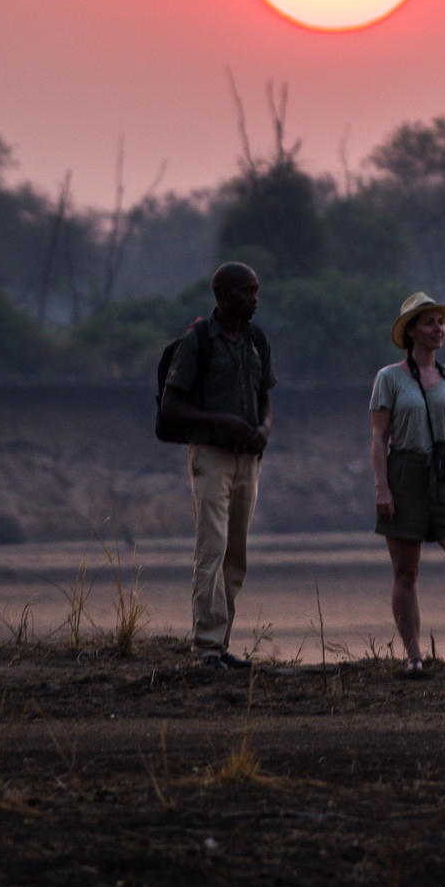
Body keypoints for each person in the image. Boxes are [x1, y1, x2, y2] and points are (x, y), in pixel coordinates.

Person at [158, 261, 275, 670]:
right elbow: (171, 405)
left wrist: (264, 428)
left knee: (236, 554)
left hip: (248, 460)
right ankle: (206, 647)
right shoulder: (198, 342)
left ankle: (221, 645)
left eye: (256, 291)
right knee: (212, 547)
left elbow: (266, 397)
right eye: (247, 292)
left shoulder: (256, 339)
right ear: (223, 296)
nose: (255, 299)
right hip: (210, 456)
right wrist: (219, 421)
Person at [370, 291, 445, 677]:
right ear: (411, 331)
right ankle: (414, 656)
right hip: (405, 473)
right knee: (407, 573)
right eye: (429, 322)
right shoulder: (389, 378)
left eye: (440, 322)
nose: (438, 329)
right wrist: (382, 488)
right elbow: (378, 436)